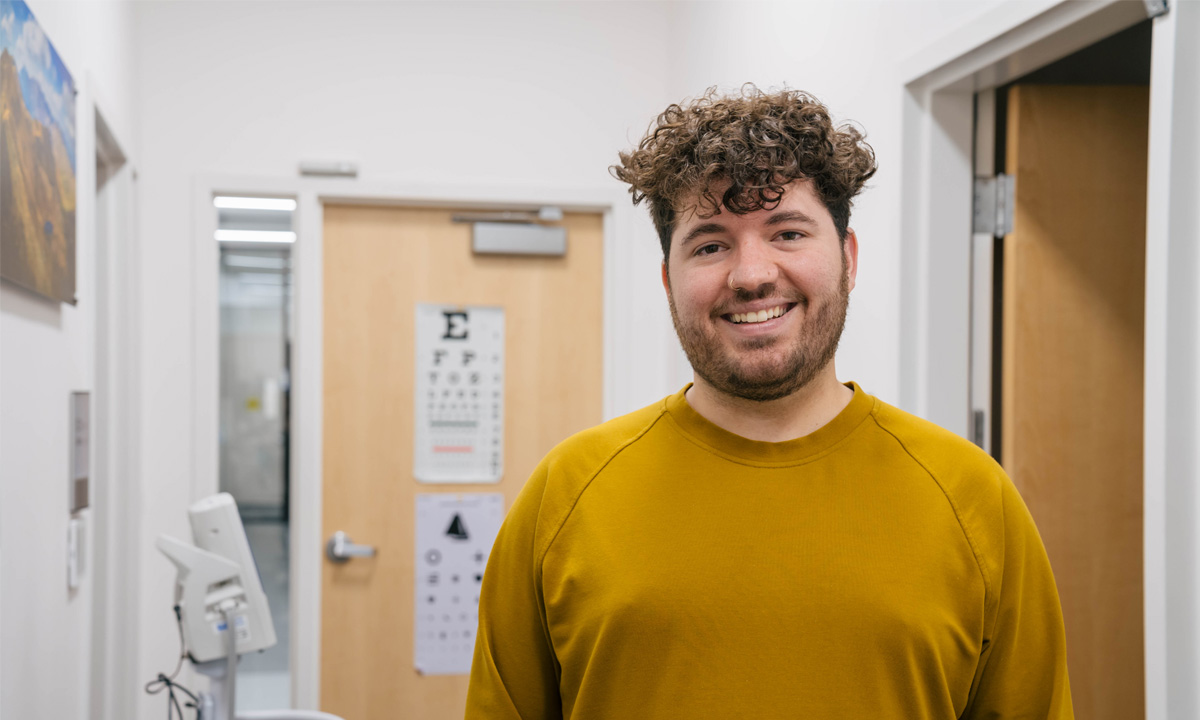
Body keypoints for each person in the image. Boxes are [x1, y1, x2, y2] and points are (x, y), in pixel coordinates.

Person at [465, 86, 1072, 719]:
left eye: (786, 232)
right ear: (669, 280)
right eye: (710, 243)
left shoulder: (973, 499)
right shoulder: (566, 495)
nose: (751, 274)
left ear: (848, 257)